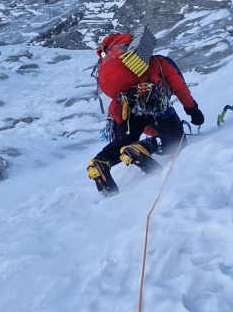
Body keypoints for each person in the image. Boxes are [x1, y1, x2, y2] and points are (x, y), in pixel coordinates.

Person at [87, 27, 205, 195]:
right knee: (176, 140)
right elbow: (179, 87)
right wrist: (193, 110)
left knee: (124, 142)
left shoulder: (112, 65)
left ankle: (101, 161)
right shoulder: (160, 62)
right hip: (152, 100)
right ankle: (141, 148)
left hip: (123, 108)